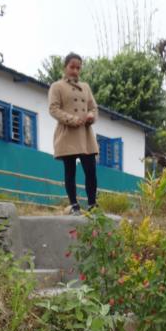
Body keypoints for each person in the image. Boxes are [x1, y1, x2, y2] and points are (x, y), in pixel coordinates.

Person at [48, 52, 99, 213]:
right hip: (67, 133)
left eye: (78, 67)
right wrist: (72, 119)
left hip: (85, 134)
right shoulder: (57, 86)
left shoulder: (86, 87)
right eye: (72, 67)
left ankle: (92, 204)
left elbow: (93, 107)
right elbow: (53, 109)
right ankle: (74, 205)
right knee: (70, 171)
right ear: (65, 67)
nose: (75, 71)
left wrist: (91, 116)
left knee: (90, 170)